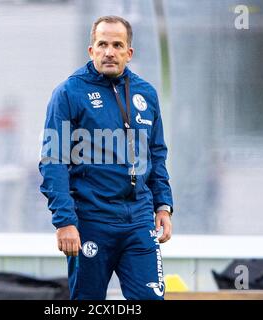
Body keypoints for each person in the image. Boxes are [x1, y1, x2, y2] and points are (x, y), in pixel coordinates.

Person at [39, 15, 173, 300]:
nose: (109, 52)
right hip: (90, 220)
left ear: (129, 52)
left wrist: (163, 205)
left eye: (117, 45)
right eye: (102, 44)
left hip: (138, 221)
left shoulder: (146, 94)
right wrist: (64, 222)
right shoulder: (68, 93)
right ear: (91, 50)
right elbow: (53, 161)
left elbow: (156, 155)